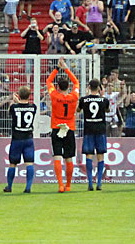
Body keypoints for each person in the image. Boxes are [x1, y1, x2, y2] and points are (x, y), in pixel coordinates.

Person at [47, 59, 80, 193]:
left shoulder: (54, 95)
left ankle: (60, 185)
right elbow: (76, 82)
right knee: (69, 157)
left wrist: (56, 68)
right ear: (68, 87)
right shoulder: (74, 96)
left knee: (57, 156)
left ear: (58, 87)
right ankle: (69, 185)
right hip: (69, 128)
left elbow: (49, 81)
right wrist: (66, 68)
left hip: (56, 127)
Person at [78, 79, 110, 191]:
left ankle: (90, 182)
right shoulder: (104, 100)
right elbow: (107, 110)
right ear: (99, 88)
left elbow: (78, 110)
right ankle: (99, 182)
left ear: (89, 87)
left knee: (89, 155)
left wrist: (86, 97)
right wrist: (103, 95)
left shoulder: (84, 100)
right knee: (100, 155)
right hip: (100, 130)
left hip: (88, 130)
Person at [5, 86, 37, 193]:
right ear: (29, 96)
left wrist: (15, 101)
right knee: (29, 163)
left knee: (13, 163)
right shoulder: (33, 107)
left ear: (18, 95)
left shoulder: (14, 107)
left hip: (16, 139)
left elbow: (11, 111)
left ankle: (9, 186)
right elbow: (24, 107)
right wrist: (19, 101)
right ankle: (28, 187)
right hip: (28, 139)